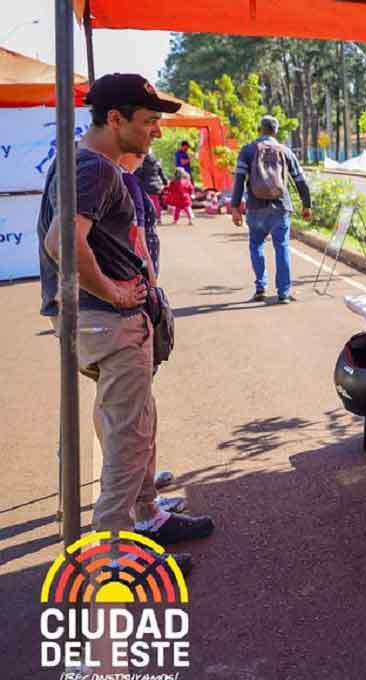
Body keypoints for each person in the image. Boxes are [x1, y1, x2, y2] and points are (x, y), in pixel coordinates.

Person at [37, 73, 214, 553]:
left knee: (132, 424)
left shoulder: (83, 162)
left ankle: (146, 514)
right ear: (114, 119)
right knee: (127, 440)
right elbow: (62, 243)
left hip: (98, 322)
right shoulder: (94, 168)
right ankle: (115, 554)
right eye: (149, 121)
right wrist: (116, 294)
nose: (157, 131)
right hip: (109, 322)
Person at [229, 115, 313, 304]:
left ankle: (260, 288)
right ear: (275, 131)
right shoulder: (285, 151)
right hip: (280, 208)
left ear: (260, 129)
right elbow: (300, 180)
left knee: (256, 246)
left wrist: (235, 207)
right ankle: (283, 293)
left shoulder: (248, 150)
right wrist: (306, 204)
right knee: (281, 248)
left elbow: (239, 179)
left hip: (254, 207)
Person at [119, 153, 161, 279]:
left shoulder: (124, 177)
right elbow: (138, 224)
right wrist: (147, 262)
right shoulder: (128, 179)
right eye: (141, 154)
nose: (143, 158)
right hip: (141, 249)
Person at [135, 152, 168, 224]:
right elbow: (162, 174)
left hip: (145, 186)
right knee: (156, 202)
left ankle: (149, 218)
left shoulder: (142, 165)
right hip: (156, 186)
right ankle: (158, 218)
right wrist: (165, 183)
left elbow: (138, 174)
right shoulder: (157, 164)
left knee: (146, 203)